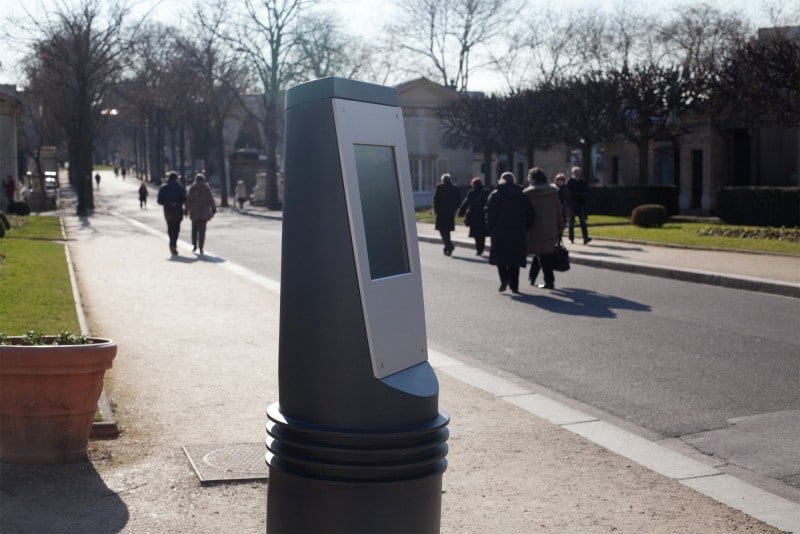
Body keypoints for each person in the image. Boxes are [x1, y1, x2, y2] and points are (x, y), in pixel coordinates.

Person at [485, 171, 534, 293]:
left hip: (499, 231)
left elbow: (490, 213)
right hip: (517, 231)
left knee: (500, 258)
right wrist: (525, 228)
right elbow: (531, 214)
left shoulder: (495, 194)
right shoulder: (522, 195)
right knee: (515, 260)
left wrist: (490, 228)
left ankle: (504, 279)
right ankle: (515, 286)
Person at [524, 168, 565, 289]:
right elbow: (559, 211)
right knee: (542, 252)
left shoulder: (528, 194)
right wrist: (561, 226)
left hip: (534, 228)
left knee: (543, 254)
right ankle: (532, 277)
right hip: (551, 227)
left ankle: (549, 281)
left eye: (529, 176)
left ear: (533, 179)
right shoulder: (553, 192)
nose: (528, 178)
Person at [184, 173, 216, 255]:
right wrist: (213, 209)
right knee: (202, 230)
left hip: (194, 212)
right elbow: (211, 200)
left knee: (194, 229)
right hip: (204, 212)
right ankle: (201, 247)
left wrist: (186, 210)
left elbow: (188, 200)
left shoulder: (192, 189)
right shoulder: (206, 189)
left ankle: (194, 244)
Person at [458, 177, 490, 255]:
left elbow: (466, 203)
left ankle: (479, 249)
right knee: (482, 233)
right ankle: (481, 247)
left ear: (473, 184)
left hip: (474, 216)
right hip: (483, 215)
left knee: (476, 234)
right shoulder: (486, 192)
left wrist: (461, 213)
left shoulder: (471, 192)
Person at [157, 172, 187, 255]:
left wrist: (166, 203)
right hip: (177, 209)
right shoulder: (180, 187)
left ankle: (172, 243)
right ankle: (173, 243)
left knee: (170, 227)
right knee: (176, 228)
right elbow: (184, 199)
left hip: (168, 210)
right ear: (176, 178)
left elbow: (159, 201)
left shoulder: (163, 187)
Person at [432, 173, 460, 256]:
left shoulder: (440, 188)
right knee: (447, 231)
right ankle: (447, 246)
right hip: (450, 213)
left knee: (442, 230)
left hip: (441, 213)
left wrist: (436, 210)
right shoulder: (455, 188)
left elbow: (436, 200)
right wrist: (454, 209)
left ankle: (449, 245)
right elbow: (458, 201)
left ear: (443, 180)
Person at [566, 165, 591, 244]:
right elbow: (569, 193)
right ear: (573, 173)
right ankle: (571, 238)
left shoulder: (584, 182)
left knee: (583, 222)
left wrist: (582, 196)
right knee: (571, 223)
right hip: (572, 205)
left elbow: (587, 192)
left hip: (580, 204)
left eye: (579, 172)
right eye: (576, 172)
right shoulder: (570, 182)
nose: (577, 174)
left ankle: (585, 238)